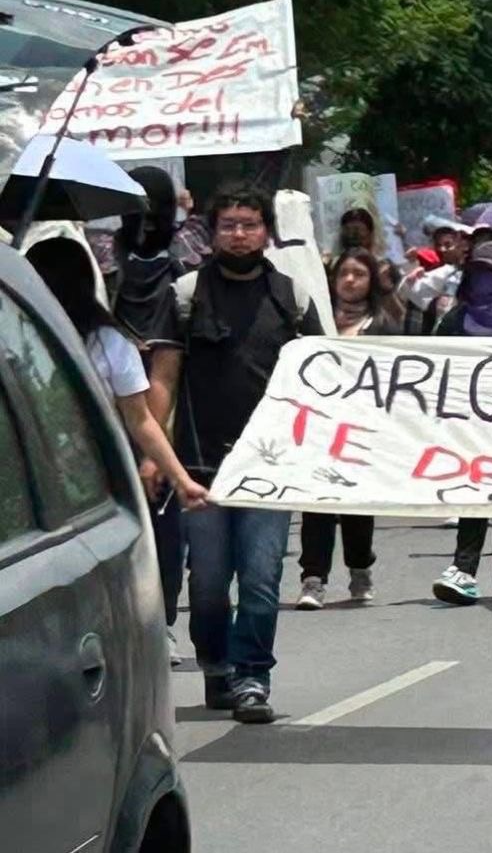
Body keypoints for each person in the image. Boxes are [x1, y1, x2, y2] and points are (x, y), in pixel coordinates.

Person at [162, 185, 325, 723]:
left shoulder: (291, 297)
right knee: (208, 583)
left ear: (267, 232)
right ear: (212, 233)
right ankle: (216, 667)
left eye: (249, 224)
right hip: (201, 467)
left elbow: (326, 377)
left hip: (270, 469)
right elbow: (163, 380)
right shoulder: (185, 295)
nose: (239, 234)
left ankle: (252, 677)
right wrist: (157, 454)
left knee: (260, 578)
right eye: (228, 224)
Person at [26, 238, 209, 514]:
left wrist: (181, 481)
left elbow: (140, 420)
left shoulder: (109, 344)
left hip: (89, 483)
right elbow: (140, 420)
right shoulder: (15, 334)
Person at [112, 165, 193, 660]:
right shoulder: (106, 270)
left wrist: (152, 449)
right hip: (107, 409)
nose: (144, 220)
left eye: (152, 207)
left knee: (164, 522)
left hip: (163, 412)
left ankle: (161, 620)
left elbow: (169, 368)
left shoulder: (183, 275)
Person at [296, 249, 401, 611]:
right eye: (344, 273)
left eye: (359, 274)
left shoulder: (382, 325)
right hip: (318, 426)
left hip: (362, 429)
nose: (350, 281)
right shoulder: (315, 320)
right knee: (316, 504)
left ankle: (360, 567)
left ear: (371, 281)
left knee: (356, 506)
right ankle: (313, 578)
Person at [429, 240, 492, 603]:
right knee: (474, 490)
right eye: (478, 271)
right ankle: (464, 569)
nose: (484, 279)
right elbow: (435, 365)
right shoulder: (456, 320)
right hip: (470, 421)